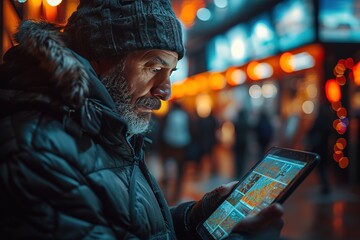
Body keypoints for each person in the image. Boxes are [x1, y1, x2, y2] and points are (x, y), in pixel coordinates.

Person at [0, 0, 284, 239]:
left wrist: (197, 218)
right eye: (155, 66)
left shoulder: (102, 130)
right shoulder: (40, 151)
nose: (166, 90)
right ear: (99, 58)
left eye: (170, 72)